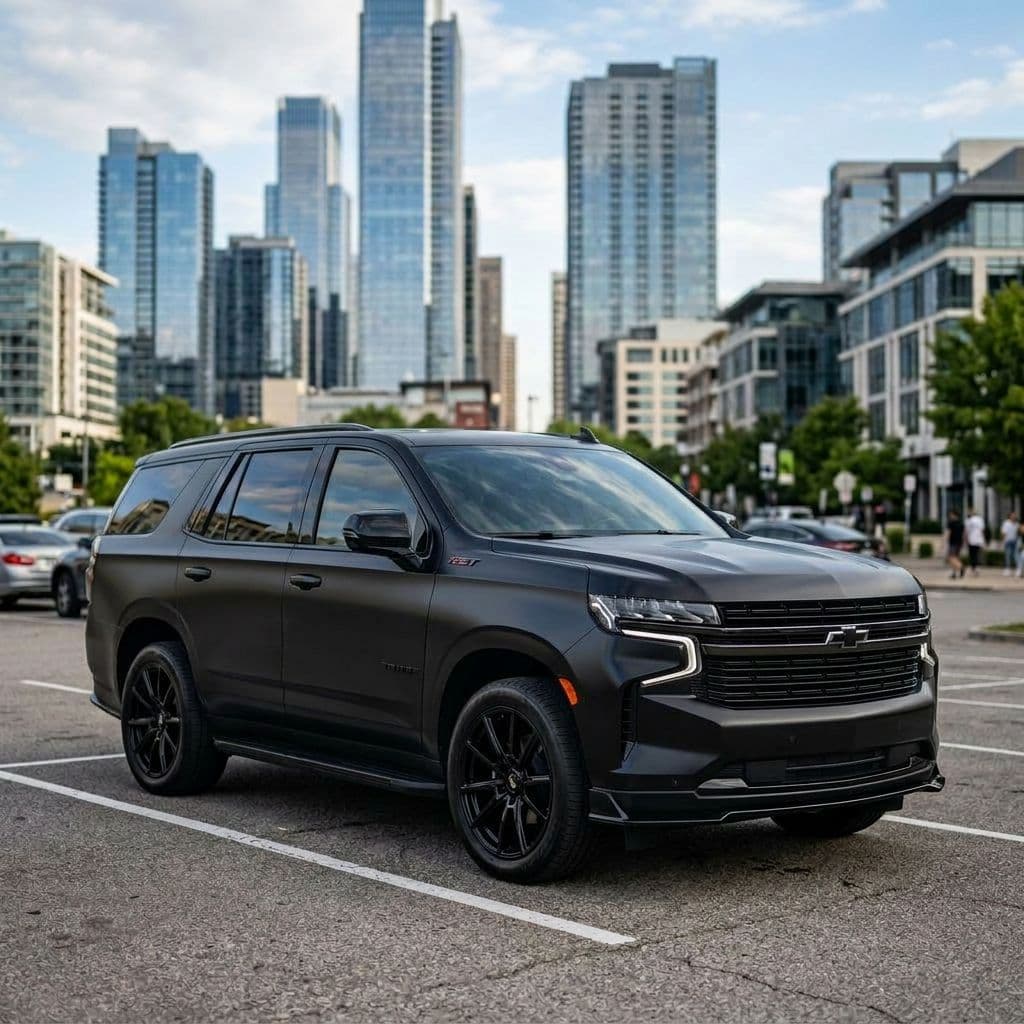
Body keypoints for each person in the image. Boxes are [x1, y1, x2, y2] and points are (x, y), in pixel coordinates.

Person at [964, 507, 986, 576]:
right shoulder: (980, 519)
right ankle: (975, 568)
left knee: (972, 555)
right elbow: (982, 530)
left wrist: (966, 539)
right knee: (975, 554)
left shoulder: (968, 520)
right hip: (977, 539)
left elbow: (966, 531)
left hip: (972, 539)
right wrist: (983, 539)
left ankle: (974, 568)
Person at [945, 510, 965, 579]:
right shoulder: (961, 523)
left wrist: (943, 543)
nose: (950, 516)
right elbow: (963, 534)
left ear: (954, 515)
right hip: (959, 542)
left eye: (951, 515)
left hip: (953, 542)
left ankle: (961, 567)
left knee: (951, 558)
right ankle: (954, 573)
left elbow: (948, 533)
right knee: (956, 557)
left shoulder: (951, 523)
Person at [1000, 512, 1019, 576]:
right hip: (1007, 541)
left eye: (1014, 516)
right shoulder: (1006, 523)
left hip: (1014, 541)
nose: (1014, 517)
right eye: (1012, 516)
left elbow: (1017, 533)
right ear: (1009, 516)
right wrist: (1003, 541)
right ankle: (1008, 569)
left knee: (1015, 556)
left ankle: (1018, 569)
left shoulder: (1016, 524)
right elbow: (1003, 533)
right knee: (1008, 555)